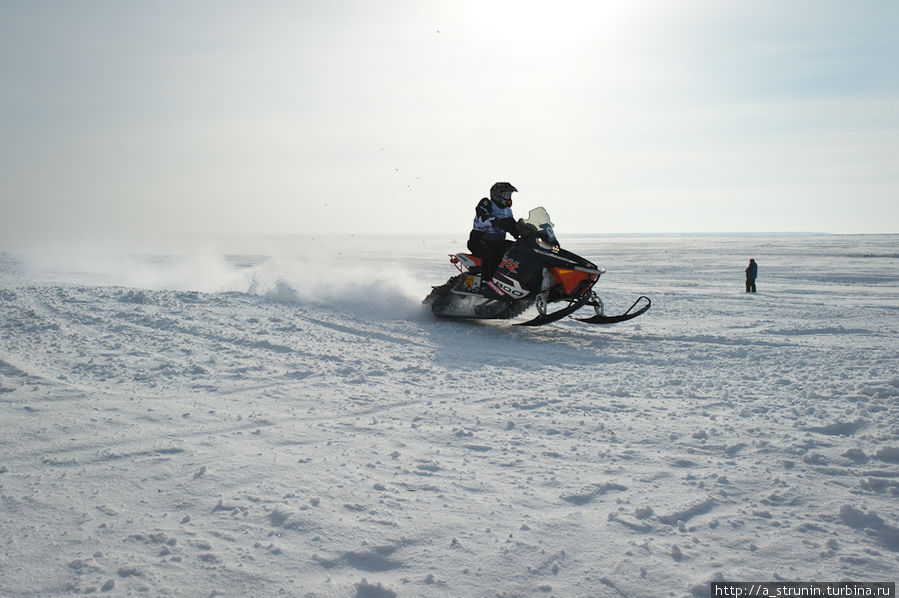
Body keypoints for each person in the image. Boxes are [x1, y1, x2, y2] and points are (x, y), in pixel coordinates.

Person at [467, 182, 520, 278]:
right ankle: (486, 281)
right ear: (497, 195)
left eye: (509, 195)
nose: (508, 197)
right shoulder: (486, 203)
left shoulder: (507, 210)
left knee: (516, 250)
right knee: (490, 253)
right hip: (480, 240)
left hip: (498, 241)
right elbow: (482, 218)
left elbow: (512, 224)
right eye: (505, 194)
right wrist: (498, 222)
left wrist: (520, 231)